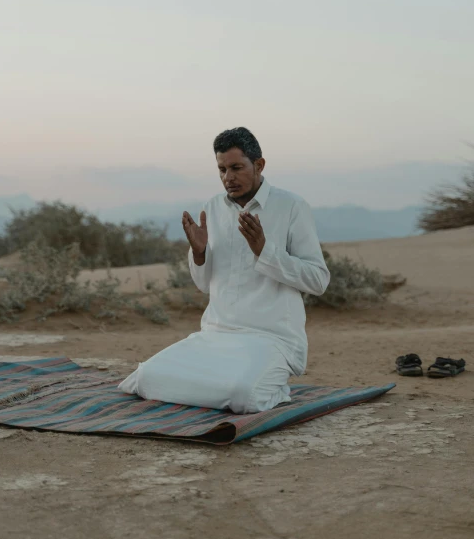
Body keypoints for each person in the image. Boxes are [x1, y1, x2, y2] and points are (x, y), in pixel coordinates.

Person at [118, 127, 330, 413]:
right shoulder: (213, 208)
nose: (228, 178)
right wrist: (199, 252)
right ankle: (222, 384)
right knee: (145, 378)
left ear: (259, 165)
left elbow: (318, 280)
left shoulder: (291, 206)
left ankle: (266, 385)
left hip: (270, 338)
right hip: (216, 336)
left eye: (236, 168)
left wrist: (265, 251)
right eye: (221, 169)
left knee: (244, 395)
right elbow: (204, 285)